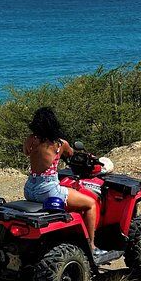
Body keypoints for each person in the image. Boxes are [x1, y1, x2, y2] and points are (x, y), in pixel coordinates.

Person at [23, 106, 103, 256]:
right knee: (91, 204)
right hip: (48, 190)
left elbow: (27, 152)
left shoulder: (30, 139)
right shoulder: (60, 144)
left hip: (30, 189)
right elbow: (71, 154)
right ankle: (92, 246)